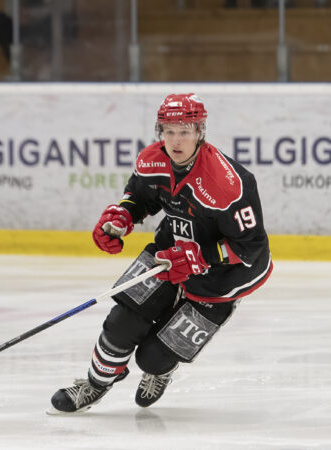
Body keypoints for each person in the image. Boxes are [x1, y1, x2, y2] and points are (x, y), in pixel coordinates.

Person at [48, 93, 273, 414]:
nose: (176, 140)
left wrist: (200, 258)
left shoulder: (228, 183)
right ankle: (95, 385)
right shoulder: (153, 160)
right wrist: (122, 216)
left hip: (224, 275)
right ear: (160, 131)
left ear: (200, 132)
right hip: (171, 249)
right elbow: (140, 196)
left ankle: (160, 370)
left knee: (152, 357)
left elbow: (250, 246)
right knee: (122, 323)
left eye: (184, 131)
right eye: (169, 131)